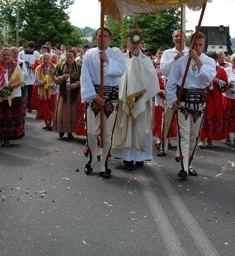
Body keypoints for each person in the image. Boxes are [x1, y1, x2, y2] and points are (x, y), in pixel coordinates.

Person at [166, 31, 216, 178]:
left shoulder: (209, 62)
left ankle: (190, 162)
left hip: (199, 102)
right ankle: (184, 166)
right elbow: (171, 83)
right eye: (196, 45)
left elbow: (207, 78)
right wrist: (172, 101)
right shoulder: (181, 62)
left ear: (204, 45)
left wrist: (197, 59)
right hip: (184, 101)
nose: (198, 48)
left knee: (194, 136)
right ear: (191, 44)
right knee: (184, 134)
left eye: (201, 45)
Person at [80, 27, 127, 178]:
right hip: (94, 96)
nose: (102, 38)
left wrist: (107, 60)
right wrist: (93, 95)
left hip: (110, 97)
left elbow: (121, 71)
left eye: (105, 36)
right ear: (95, 38)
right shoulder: (89, 54)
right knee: (91, 131)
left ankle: (103, 162)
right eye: (99, 36)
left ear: (110, 38)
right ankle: (93, 156)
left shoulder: (116, 53)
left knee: (107, 134)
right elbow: (85, 76)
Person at [113, 31, 159, 168]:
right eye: (131, 43)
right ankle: (127, 157)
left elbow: (152, 80)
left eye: (137, 43)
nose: (134, 46)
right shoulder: (122, 59)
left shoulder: (146, 61)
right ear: (127, 43)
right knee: (127, 128)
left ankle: (140, 157)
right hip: (125, 98)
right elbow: (118, 77)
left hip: (142, 100)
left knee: (139, 128)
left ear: (141, 44)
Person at [158, 29, 187, 156]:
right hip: (171, 88)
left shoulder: (189, 52)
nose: (178, 38)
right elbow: (164, 70)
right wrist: (175, 58)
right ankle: (163, 145)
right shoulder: (167, 53)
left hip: (185, 89)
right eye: (176, 36)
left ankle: (181, 150)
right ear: (173, 39)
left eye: (180, 36)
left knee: (183, 120)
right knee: (168, 118)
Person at [199, 52, 228, 148]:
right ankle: (201, 139)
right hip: (204, 96)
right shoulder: (201, 68)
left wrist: (214, 80)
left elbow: (224, 85)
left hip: (215, 98)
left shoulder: (221, 71)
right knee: (203, 117)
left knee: (212, 117)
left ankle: (210, 139)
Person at [0, 48, 25, 147]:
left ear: (11, 57)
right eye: (4, 55)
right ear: (0, 56)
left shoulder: (16, 66)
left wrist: (9, 87)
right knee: (1, 118)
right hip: (0, 96)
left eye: (8, 55)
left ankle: (7, 139)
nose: (6, 57)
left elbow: (21, 80)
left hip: (14, 95)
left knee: (11, 118)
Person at [53, 49, 81, 139]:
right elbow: (55, 79)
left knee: (72, 112)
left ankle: (70, 132)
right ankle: (61, 130)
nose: (69, 59)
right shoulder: (60, 66)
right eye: (67, 57)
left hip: (74, 93)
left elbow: (84, 79)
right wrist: (62, 78)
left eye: (71, 57)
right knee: (62, 112)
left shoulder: (80, 67)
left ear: (75, 57)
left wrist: (76, 84)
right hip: (63, 93)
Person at [223, 53, 235, 146]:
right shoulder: (226, 70)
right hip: (227, 98)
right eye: (234, 60)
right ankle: (227, 137)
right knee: (227, 117)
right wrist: (228, 86)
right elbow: (222, 83)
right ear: (231, 61)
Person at [35, 53, 56, 131]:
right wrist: (42, 82)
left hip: (52, 90)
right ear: (41, 60)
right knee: (44, 106)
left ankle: (50, 123)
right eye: (44, 59)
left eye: (47, 59)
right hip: (42, 90)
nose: (45, 61)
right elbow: (36, 81)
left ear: (50, 60)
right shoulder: (38, 68)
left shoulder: (54, 67)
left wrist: (52, 84)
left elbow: (56, 79)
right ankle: (46, 123)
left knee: (51, 107)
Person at [18, 41, 41, 112]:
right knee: (22, 90)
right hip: (24, 73)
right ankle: (22, 105)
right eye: (29, 48)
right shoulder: (21, 53)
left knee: (31, 91)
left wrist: (34, 65)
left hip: (32, 74)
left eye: (32, 48)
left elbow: (39, 61)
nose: (30, 49)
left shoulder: (36, 53)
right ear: (27, 47)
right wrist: (25, 63)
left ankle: (29, 106)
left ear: (34, 48)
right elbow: (18, 61)